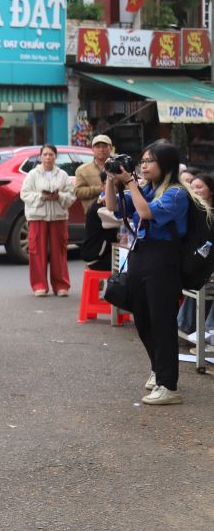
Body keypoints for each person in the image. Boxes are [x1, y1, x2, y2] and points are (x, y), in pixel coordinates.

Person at [104, 141, 200, 405]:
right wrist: (111, 180)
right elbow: (113, 207)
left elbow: (145, 212)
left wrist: (132, 184)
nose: (143, 165)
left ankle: (169, 387)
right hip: (141, 254)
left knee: (162, 321)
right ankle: (158, 368)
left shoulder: (177, 193)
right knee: (142, 316)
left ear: (165, 164)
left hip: (163, 258)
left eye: (149, 161)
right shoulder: (147, 188)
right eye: (142, 160)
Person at [19, 144, 75, 297]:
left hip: (58, 217)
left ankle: (61, 285)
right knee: (37, 251)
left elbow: (71, 196)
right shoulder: (32, 174)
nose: (48, 157)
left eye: (51, 154)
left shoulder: (63, 175)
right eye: (45, 154)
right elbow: (24, 194)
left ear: (55, 157)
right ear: (40, 156)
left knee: (60, 251)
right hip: (38, 217)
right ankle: (39, 285)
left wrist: (59, 196)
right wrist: (41, 197)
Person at [177, 173, 214, 337]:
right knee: (195, 276)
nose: (195, 191)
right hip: (196, 263)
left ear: (211, 190)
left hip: (206, 265)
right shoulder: (190, 213)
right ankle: (186, 325)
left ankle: (206, 331)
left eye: (199, 187)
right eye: (192, 188)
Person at [74, 134, 113, 213]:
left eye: (104, 146)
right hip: (93, 214)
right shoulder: (82, 170)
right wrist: (99, 189)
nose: (101, 149)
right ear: (92, 149)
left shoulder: (120, 167)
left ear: (111, 148)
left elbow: (128, 189)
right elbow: (78, 192)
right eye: (98, 147)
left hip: (116, 214)